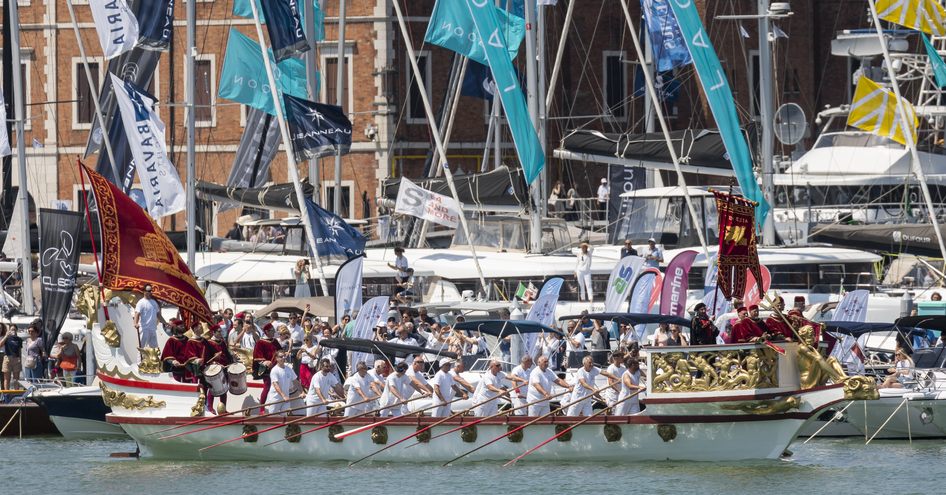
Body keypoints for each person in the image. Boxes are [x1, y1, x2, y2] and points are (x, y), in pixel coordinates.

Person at [253, 323, 279, 409]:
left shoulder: (275, 341)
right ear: (266, 332)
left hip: (277, 367)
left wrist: (283, 354)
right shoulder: (260, 342)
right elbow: (257, 356)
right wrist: (265, 362)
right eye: (272, 331)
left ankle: (276, 406)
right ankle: (262, 408)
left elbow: (280, 351)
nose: (274, 332)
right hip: (266, 369)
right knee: (267, 386)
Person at [133, 284, 167, 348]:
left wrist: (165, 322)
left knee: (154, 348)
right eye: (148, 291)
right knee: (141, 349)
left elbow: (158, 315)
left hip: (153, 329)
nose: (150, 292)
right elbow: (137, 313)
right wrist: (135, 323)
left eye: (150, 291)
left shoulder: (154, 302)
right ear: (144, 291)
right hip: (144, 329)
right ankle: (140, 358)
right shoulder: (141, 302)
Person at [0, 324, 22, 389]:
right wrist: (6, 336)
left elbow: (19, 350)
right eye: (12, 329)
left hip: (16, 359)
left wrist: (20, 361)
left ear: (17, 330)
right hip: (7, 358)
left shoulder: (19, 339)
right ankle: (6, 395)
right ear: (9, 330)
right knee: (7, 379)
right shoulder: (6, 338)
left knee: (16, 380)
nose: (13, 331)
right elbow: (0, 345)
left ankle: (16, 394)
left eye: (14, 330)